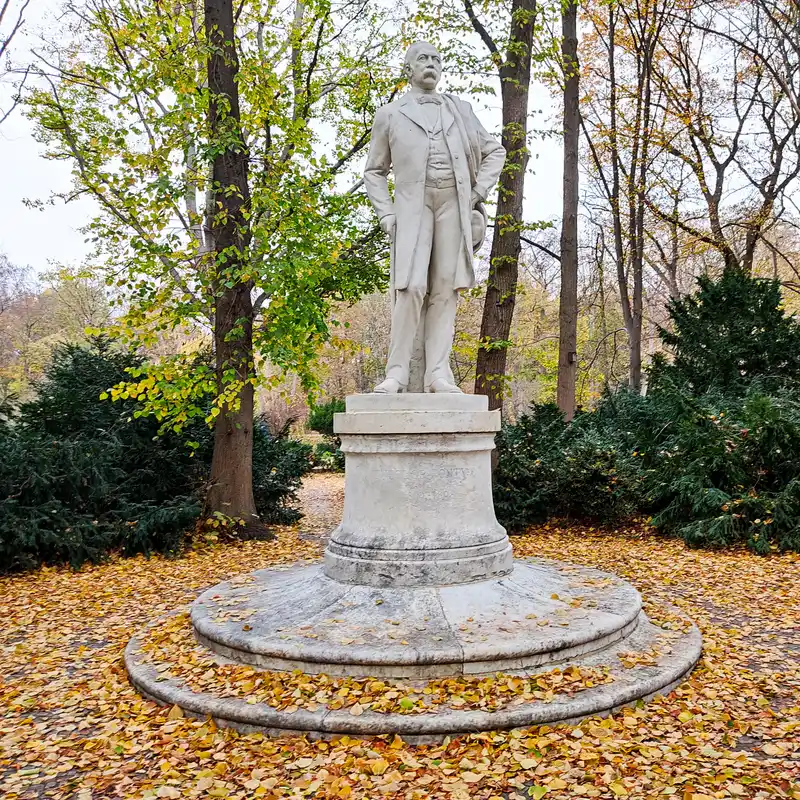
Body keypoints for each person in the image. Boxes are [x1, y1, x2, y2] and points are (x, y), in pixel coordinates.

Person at [363, 41, 506, 393]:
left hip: (452, 204)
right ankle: (396, 373)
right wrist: (386, 214)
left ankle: (437, 374)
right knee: (411, 287)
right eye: (423, 59)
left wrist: (476, 193)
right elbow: (374, 171)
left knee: (445, 288)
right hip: (413, 206)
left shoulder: (461, 110)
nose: (431, 64)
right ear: (408, 69)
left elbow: (495, 151)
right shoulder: (390, 114)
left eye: (436, 59)